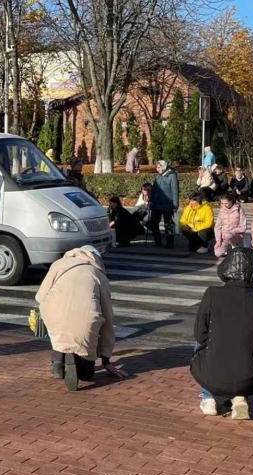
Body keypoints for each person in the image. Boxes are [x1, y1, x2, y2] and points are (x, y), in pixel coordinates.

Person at [191, 247, 253, 420]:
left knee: (202, 343)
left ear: (226, 267)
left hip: (210, 372)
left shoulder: (212, 294)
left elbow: (200, 334)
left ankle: (209, 398)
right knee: (248, 349)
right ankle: (240, 396)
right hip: (249, 377)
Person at [36, 245, 127, 391]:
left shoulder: (58, 264)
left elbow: (40, 296)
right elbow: (108, 319)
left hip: (54, 313)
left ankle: (58, 364)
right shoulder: (99, 275)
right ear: (96, 258)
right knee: (87, 374)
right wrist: (106, 360)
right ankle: (81, 367)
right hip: (86, 319)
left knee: (59, 332)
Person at [148, 160, 179, 248]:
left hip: (168, 204)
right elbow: (153, 189)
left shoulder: (172, 176)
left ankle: (170, 242)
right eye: (157, 167)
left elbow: (175, 191)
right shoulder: (158, 176)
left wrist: (175, 205)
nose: (157, 169)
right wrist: (151, 199)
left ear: (163, 166)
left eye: (159, 167)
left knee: (169, 224)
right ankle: (158, 241)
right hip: (157, 204)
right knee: (153, 223)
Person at [213, 192, 246, 257]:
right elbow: (218, 227)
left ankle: (235, 246)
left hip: (236, 235)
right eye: (222, 203)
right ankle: (227, 248)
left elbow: (243, 227)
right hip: (224, 236)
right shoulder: (221, 210)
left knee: (228, 235)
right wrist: (218, 240)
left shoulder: (239, 210)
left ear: (231, 201)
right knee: (218, 253)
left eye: (226, 203)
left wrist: (231, 232)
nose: (224, 205)